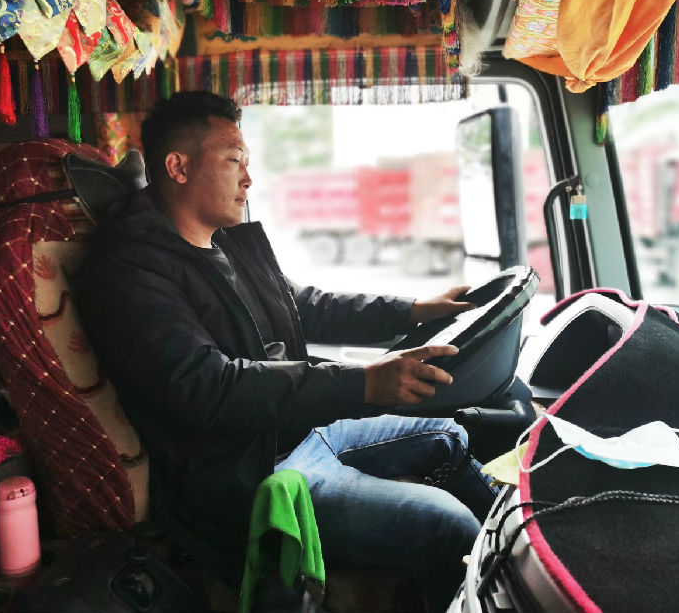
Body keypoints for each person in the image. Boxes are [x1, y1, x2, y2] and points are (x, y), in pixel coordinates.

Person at [77, 91, 498, 611]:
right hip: (249, 471)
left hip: (293, 430)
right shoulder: (131, 271)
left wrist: (411, 310)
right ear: (178, 167)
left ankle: (522, 544)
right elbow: (209, 384)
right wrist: (363, 382)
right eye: (234, 160)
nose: (248, 179)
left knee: (449, 435)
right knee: (448, 524)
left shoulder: (223, 241)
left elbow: (303, 305)